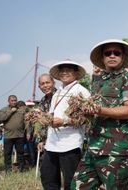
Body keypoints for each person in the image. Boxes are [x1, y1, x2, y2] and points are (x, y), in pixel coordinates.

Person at [71, 39, 128, 190]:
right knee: (77, 186)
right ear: (102, 58)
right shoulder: (97, 82)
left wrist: (99, 110)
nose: (112, 56)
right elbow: (92, 113)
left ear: (122, 57)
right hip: (93, 146)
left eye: (116, 53)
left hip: (117, 149)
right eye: (108, 53)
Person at [40, 60, 90, 190]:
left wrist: (64, 121)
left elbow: (88, 118)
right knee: (48, 179)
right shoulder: (57, 92)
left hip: (70, 144)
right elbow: (52, 115)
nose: (65, 73)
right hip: (51, 144)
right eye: (62, 70)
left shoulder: (82, 92)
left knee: (71, 182)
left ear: (76, 73)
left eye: (69, 70)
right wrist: (43, 119)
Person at [0, 95, 25, 172]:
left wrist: (28, 132)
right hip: (8, 136)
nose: (14, 102)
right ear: (8, 101)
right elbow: (1, 119)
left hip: (19, 135)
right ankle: (8, 170)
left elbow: (26, 121)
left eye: (15, 100)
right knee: (7, 154)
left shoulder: (21, 110)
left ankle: (21, 169)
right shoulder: (4, 109)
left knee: (20, 153)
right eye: (12, 100)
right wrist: (11, 111)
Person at [36, 73, 57, 152]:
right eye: (42, 84)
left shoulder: (61, 96)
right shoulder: (42, 101)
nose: (45, 86)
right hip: (48, 141)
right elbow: (42, 123)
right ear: (39, 87)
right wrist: (42, 140)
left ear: (53, 83)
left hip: (61, 140)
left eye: (47, 82)